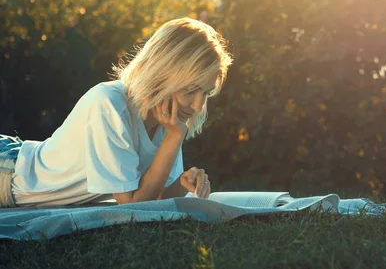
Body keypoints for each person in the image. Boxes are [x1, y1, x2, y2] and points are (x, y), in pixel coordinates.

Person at [0, 17, 233, 208]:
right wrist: (174, 138)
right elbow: (133, 206)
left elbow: (156, 197)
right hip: (8, 174)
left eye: (206, 93)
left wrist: (183, 184)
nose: (198, 106)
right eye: (191, 90)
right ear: (165, 74)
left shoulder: (170, 120)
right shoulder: (110, 105)